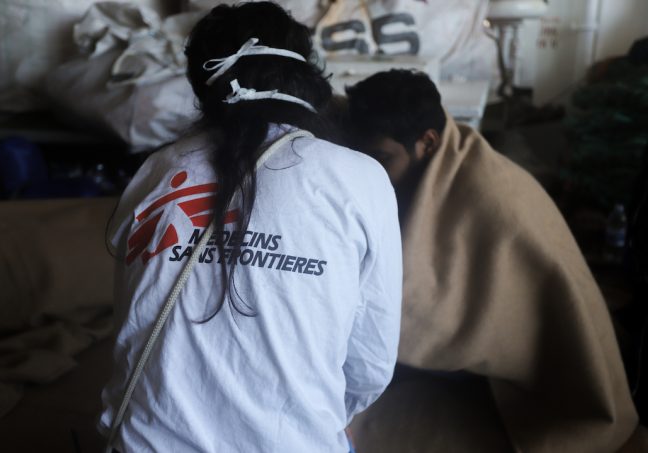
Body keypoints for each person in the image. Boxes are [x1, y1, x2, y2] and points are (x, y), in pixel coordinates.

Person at [98, 3, 402, 452]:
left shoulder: (158, 170)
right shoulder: (360, 177)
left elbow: (133, 316)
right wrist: (325, 420)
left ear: (204, 86)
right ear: (304, 79)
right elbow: (371, 362)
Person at [343, 69, 644, 452]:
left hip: (553, 388)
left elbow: (418, 313)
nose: (368, 172)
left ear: (428, 142)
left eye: (381, 158)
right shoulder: (436, 155)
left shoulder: (483, 197)